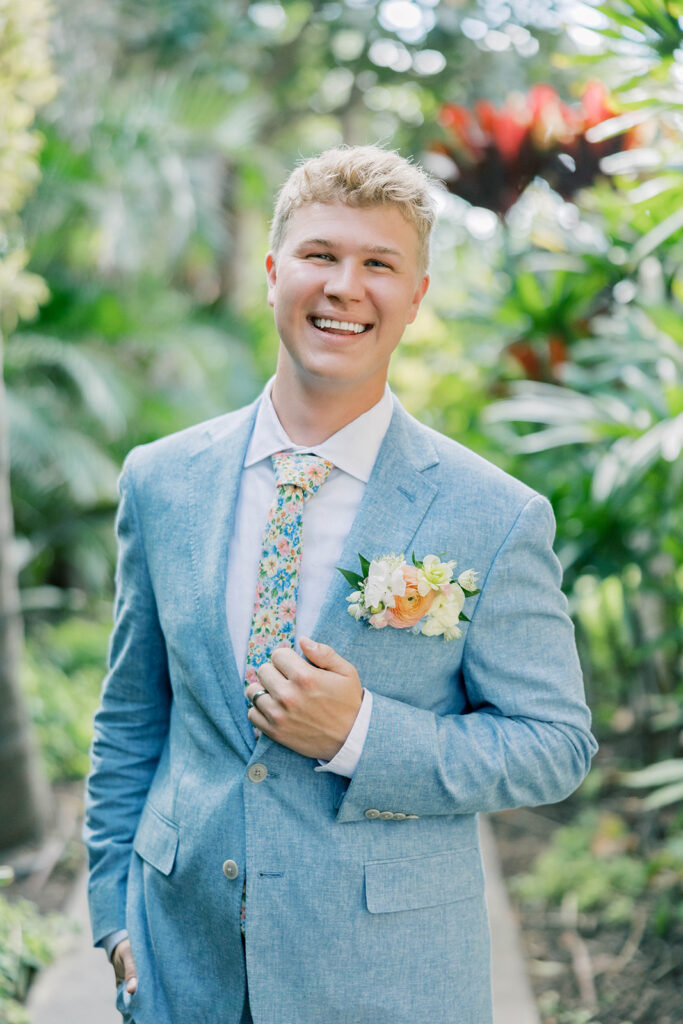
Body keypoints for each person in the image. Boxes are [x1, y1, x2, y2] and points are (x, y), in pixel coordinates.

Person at [84, 145, 597, 1024]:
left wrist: (360, 734)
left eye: (378, 265)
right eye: (321, 256)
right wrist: (112, 916)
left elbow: (554, 743)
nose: (343, 287)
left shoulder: (493, 514)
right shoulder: (160, 481)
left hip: (386, 981)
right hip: (180, 966)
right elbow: (134, 711)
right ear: (276, 270)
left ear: (416, 297)